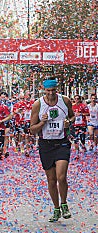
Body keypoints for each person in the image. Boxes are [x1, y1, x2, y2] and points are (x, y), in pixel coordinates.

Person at [30, 78, 75, 222]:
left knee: (61, 176)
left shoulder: (65, 100)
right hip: (46, 145)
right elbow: (32, 129)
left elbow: (72, 116)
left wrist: (69, 122)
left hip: (62, 143)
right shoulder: (38, 104)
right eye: (48, 91)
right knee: (51, 179)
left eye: (53, 90)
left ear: (57, 89)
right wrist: (42, 122)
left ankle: (64, 204)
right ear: (43, 90)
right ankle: (56, 208)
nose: (51, 94)